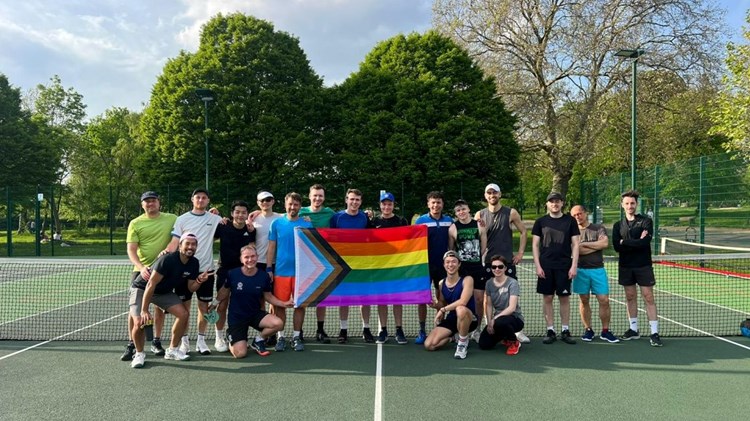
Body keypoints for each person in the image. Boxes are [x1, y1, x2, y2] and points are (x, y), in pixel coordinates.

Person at [130, 232, 209, 368]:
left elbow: (191, 288)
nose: (190, 247)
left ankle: (172, 350)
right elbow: (151, 284)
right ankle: (139, 353)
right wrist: (144, 310)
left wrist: (199, 280)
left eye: (193, 244)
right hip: (142, 289)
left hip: (162, 293)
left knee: (183, 314)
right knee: (139, 321)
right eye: (187, 244)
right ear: (180, 245)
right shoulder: (167, 260)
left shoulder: (194, 263)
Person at [121, 191, 177, 361]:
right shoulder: (135, 223)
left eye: (153, 201)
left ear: (159, 203)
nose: (150, 204)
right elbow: (131, 249)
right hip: (141, 272)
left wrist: (213, 213)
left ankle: (156, 341)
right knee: (134, 310)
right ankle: (132, 343)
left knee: (159, 307)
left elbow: (191, 221)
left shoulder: (173, 218)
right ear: (142, 204)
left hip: (164, 271)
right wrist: (141, 267)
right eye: (147, 201)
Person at [167, 188, 222, 355]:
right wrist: (166, 254)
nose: (200, 200)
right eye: (197, 197)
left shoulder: (216, 219)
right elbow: (175, 242)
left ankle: (201, 340)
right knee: (184, 309)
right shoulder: (182, 219)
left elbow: (231, 223)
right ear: (192, 199)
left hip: (207, 271)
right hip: (184, 273)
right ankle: (184, 342)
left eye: (204, 198)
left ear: (208, 201)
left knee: (203, 308)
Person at [211, 245, 292, 358]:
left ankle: (258, 340)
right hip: (237, 317)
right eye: (246, 257)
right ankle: (231, 336)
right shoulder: (232, 274)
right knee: (240, 354)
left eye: (253, 256)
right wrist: (214, 304)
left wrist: (284, 303)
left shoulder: (263, 276)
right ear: (241, 259)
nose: (250, 260)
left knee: (278, 323)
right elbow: (224, 291)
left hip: (255, 314)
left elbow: (268, 296)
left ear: (257, 257)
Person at [475, 183, 530, 344]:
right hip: (487, 262)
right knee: (486, 296)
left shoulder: (510, 212)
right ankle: (484, 326)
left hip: (506, 262)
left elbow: (524, 231)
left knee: (511, 296)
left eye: (495, 193)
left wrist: (520, 253)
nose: (492, 195)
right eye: (489, 193)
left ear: (500, 195)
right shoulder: (479, 214)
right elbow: (476, 235)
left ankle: (517, 331)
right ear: (485, 196)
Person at [613, 190, 663, 347]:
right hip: (626, 266)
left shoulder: (646, 221)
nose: (630, 206)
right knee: (629, 296)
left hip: (643, 266)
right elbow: (616, 246)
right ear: (622, 205)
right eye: (627, 203)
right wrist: (631, 242)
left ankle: (654, 333)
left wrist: (624, 242)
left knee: (648, 297)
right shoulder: (617, 225)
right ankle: (633, 329)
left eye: (632, 203)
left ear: (636, 204)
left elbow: (644, 243)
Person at [267, 192, 313, 352]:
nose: (293, 207)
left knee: (299, 306)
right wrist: (268, 268)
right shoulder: (276, 223)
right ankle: (281, 338)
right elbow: (271, 247)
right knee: (280, 307)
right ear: (285, 205)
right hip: (281, 272)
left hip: (302, 274)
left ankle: (296, 336)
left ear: (300, 207)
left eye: (296, 205)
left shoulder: (307, 224)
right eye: (290, 204)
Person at [532, 191, 580, 345]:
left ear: (562, 203)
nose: (555, 204)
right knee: (547, 298)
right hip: (546, 266)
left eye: (557, 201)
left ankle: (565, 330)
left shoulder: (570, 221)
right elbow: (535, 245)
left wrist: (573, 265)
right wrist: (538, 265)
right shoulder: (540, 222)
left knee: (564, 298)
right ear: (547, 204)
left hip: (564, 266)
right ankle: (550, 330)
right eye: (552, 201)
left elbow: (576, 244)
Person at [570, 205, 619, 343]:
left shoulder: (598, 228)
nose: (577, 217)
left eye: (579, 214)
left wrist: (583, 245)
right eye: (574, 215)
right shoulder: (572, 232)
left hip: (598, 270)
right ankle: (588, 330)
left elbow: (604, 244)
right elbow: (575, 251)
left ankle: (605, 331)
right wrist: (590, 246)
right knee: (584, 300)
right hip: (580, 270)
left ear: (585, 213)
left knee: (604, 300)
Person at [330, 188, 373, 343]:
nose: (354, 202)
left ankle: (366, 329)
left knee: (365, 298)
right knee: (344, 298)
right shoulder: (337, 218)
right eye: (352, 199)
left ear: (361, 202)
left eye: (357, 200)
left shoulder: (365, 218)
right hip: (343, 265)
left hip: (362, 264)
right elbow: (331, 239)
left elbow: (370, 237)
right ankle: (343, 330)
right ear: (346, 200)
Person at [212, 200, 256, 352]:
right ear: (232, 214)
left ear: (247, 214)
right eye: (237, 212)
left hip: (243, 273)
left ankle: (239, 334)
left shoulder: (250, 230)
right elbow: (210, 236)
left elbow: (252, 249)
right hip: (224, 271)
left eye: (243, 212)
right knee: (222, 305)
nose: (240, 215)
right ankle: (218, 337)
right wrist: (215, 215)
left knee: (240, 306)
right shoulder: (223, 226)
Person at [298, 184, 336, 344]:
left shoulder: (330, 214)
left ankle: (320, 330)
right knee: (302, 296)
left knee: (322, 297)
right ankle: (297, 332)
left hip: (324, 261)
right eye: (315, 195)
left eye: (320, 195)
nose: (317, 198)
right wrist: (257, 212)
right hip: (304, 262)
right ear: (309, 196)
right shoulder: (301, 212)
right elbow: (283, 215)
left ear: (324, 198)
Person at [414, 191, 453, 344]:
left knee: (442, 298)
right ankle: (422, 330)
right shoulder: (420, 221)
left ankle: (440, 327)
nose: (436, 205)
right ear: (428, 204)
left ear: (442, 204)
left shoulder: (449, 220)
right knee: (422, 298)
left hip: (444, 267)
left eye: (438, 202)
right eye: (433, 202)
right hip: (425, 266)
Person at [423, 251, 477, 359]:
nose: (450, 265)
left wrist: (442, 310)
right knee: (429, 345)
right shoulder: (441, 283)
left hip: (469, 318)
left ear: (459, 264)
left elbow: (463, 301)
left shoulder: (467, 280)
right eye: (447, 262)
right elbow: (442, 303)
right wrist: (436, 305)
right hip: (452, 319)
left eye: (453, 262)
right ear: (444, 265)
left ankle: (462, 343)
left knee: (461, 309)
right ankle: (453, 338)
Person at [372, 191, 410, 344]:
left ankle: (399, 329)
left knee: (397, 299)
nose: (386, 206)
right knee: (382, 299)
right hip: (380, 267)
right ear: (380, 205)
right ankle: (383, 329)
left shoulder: (401, 221)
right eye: (384, 204)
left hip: (397, 267)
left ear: (393, 205)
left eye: (389, 204)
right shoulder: (373, 222)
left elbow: (410, 242)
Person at [448, 199, 487, 342]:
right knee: (461, 301)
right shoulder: (453, 228)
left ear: (469, 209)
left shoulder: (479, 225)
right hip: (462, 271)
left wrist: (475, 257)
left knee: (478, 299)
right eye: (458, 210)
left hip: (477, 268)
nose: (461, 212)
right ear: (456, 213)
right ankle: (459, 329)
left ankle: (477, 330)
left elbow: (483, 246)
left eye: (463, 209)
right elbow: (451, 250)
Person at [478, 255, 524, 355]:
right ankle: (505, 337)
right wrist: (489, 322)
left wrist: (494, 320)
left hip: (514, 319)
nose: (497, 269)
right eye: (494, 267)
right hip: (498, 320)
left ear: (505, 268)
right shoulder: (489, 283)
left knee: (500, 322)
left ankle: (514, 342)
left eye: (500, 266)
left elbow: (512, 308)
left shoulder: (513, 283)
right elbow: (489, 305)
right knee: (484, 344)